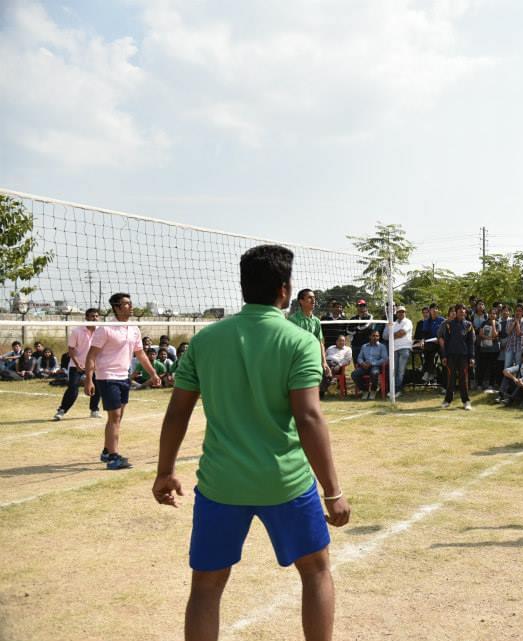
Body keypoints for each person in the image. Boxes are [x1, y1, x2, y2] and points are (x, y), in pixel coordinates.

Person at [152, 244, 350, 641]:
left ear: (243, 287)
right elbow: (308, 417)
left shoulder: (205, 341)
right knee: (316, 571)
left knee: (206, 587)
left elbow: (177, 412)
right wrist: (333, 491)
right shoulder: (300, 341)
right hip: (285, 481)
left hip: (220, 484)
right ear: (284, 290)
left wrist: (165, 472)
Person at [85, 292, 161, 470]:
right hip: (107, 376)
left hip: (123, 377)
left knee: (117, 418)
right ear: (117, 307)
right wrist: (89, 379)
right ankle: (113, 457)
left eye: (130, 303)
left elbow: (140, 355)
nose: (131, 306)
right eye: (126, 304)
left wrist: (153, 374)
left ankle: (106, 450)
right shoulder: (105, 329)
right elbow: (91, 355)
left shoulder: (134, 328)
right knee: (115, 416)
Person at [54, 308, 103, 421]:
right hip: (76, 365)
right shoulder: (77, 331)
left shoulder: (101, 331)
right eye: (92, 316)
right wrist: (77, 364)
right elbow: (70, 349)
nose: (94, 318)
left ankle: (94, 410)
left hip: (94, 365)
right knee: (72, 388)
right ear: (86, 318)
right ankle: (62, 410)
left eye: (96, 316)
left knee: (97, 387)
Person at [437, 303, 475, 410]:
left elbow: (471, 342)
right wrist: (444, 356)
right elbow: (445, 342)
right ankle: (447, 400)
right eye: (459, 312)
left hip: (464, 356)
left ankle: (466, 401)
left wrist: (472, 357)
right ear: (456, 313)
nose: (462, 313)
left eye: (464, 312)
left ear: (465, 313)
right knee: (451, 379)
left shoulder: (468, 325)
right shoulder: (449, 325)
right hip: (451, 356)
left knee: (464, 379)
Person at [351, 331, 387, 400]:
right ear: (370, 337)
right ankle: (365, 390)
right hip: (365, 366)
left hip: (375, 366)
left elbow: (384, 359)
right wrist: (362, 363)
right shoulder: (364, 346)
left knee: (374, 373)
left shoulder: (382, 347)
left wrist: (373, 363)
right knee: (354, 374)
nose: (375, 337)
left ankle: (373, 390)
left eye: (377, 336)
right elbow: (359, 358)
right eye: (373, 336)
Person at [389, 306, 413, 397]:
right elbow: (386, 335)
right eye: (399, 312)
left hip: (404, 348)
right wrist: (394, 335)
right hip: (394, 349)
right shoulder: (394, 323)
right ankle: (395, 390)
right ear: (396, 313)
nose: (401, 313)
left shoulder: (408, 322)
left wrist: (392, 335)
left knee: (400, 371)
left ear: (405, 313)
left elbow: (402, 332)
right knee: (394, 370)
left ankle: (398, 390)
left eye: (403, 312)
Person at [347, 299, 375, 365]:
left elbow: (367, 326)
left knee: (366, 363)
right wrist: (358, 329)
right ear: (357, 307)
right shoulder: (353, 318)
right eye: (359, 306)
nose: (361, 307)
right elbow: (348, 330)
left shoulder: (370, 316)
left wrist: (356, 328)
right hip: (355, 344)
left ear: (366, 307)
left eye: (363, 305)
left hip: (367, 344)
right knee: (356, 363)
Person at [503, 304, 523, 370]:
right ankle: (507, 380)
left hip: (519, 346)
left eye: (520, 311)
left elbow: (518, 333)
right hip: (510, 346)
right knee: (507, 365)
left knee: (518, 365)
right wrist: (513, 323)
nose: (518, 312)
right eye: (516, 311)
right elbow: (508, 332)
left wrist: (517, 322)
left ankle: (517, 380)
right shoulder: (509, 321)